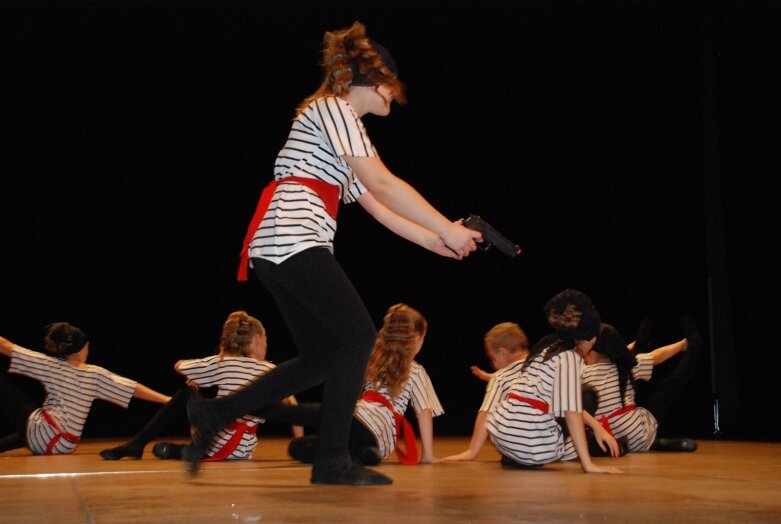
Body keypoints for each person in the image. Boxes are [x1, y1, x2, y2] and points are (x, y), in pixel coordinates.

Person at [183, 21, 481, 486]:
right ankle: (330, 462)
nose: (394, 99)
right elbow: (384, 181)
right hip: (290, 236)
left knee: (323, 356)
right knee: (359, 338)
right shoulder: (334, 110)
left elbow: (378, 206)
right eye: (392, 88)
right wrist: (444, 225)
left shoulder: (339, 129)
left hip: (282, 242)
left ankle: (215, 411)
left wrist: (438, 241)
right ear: (378, 81)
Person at [99, 311, 303, 461]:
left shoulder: (222, 362)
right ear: (257, 339)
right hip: (242, 450)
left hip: (213, 442)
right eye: (266, 340)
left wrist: (199, 376)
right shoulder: (270, 370)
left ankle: (138, 443)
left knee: (186, 393)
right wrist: (298, 441)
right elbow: (291, 402)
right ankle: (176, 451)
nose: (267, 346)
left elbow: (179, 365)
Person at [270, 303, 444, 467]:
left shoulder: (373, 360)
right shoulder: (416, 371)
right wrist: (427, 455)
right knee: (302, 445)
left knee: (304, 430)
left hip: (357, 417)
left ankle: (270, 409)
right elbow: (424, 412)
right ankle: (361, 454)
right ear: (416, 337)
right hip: (381, 438)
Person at [482, 290, 623, 474]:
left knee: (557, 402)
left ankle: (517, 455)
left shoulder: (547, 346)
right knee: (585, 395)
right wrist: (587, 464)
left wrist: (597, 427)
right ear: (590, 338)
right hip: (528, 439)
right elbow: (571, 411)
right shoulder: (570, 357)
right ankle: (530, 453)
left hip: (501, 432)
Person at [0, 322, 171, 455]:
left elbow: (5, 346)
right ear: (79, 348)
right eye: (87, 347)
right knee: (35, 421)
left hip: (44, 436)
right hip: (65, 445)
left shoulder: (49, 364)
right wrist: (167, 400)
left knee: (14, 399)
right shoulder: (95, 374)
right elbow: (132, 388)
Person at [564, 317, 702, 456]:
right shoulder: (622, 367)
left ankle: (654, 442)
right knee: (663, 393)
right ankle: (654, 442)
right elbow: (657, 356)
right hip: (636, 434)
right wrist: (681, 345)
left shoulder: (580, 372)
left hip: (609, 437)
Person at [442, 322, 529, 462]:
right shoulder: (541, 366)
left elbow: (486, 413)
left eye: (492, 358)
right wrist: (492, 377)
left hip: (521, 446)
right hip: (550, 445)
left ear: (502, 352)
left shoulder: (501, 378)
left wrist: (471, 452)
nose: (493, 364)